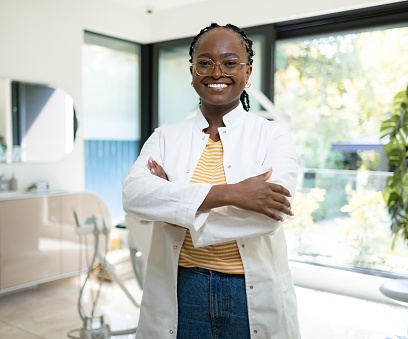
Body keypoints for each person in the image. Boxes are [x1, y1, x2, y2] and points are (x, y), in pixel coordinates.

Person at [122, 23, 300, 339]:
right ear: (193, 72)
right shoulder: (165, 136)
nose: (217, 72)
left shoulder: (272, 135)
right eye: (205, 62)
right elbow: (134, 196)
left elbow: (269, 217)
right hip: (181, 290)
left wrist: (176, 211)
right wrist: (230, 194)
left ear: (247, 72)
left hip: (248, 294)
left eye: (230, 63)